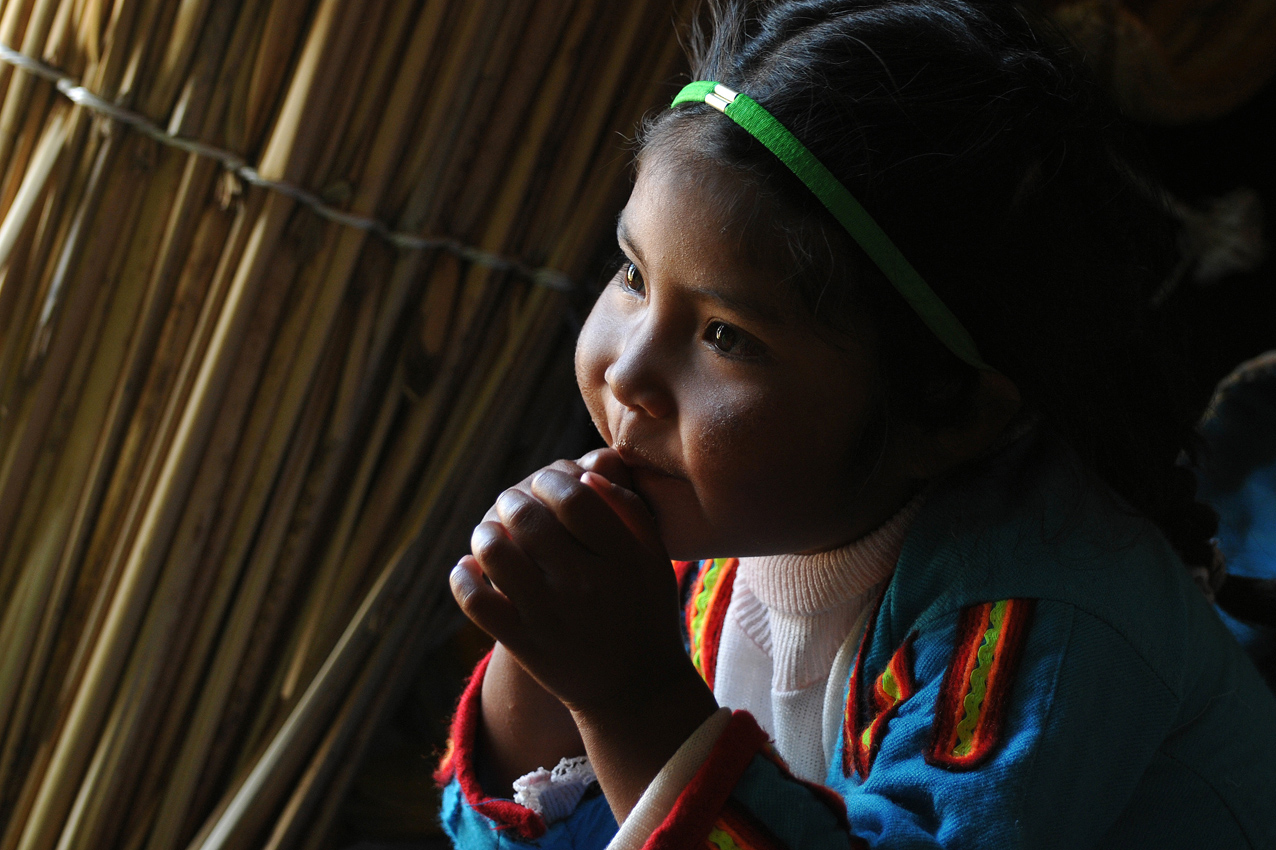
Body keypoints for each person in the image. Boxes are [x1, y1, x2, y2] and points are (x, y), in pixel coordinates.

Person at [437, 1, 1276, 847]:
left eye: (726, 336)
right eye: (632, 273)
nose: (627, 372)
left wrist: (627, 694)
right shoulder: (735, 525)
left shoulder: (1046, 625)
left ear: (944, 414)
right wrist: (550, 650)